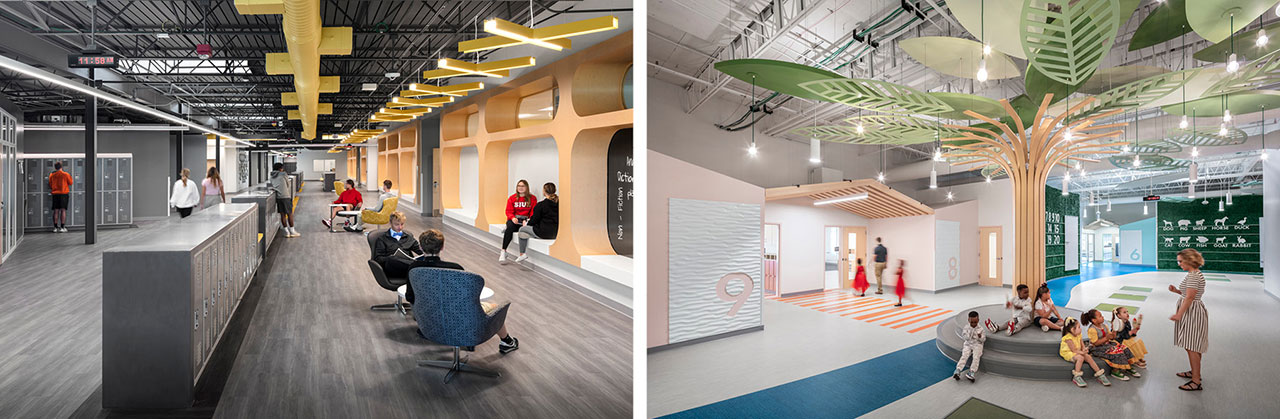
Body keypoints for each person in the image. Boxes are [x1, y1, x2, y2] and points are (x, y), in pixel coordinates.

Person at [407, 229, 519, 354]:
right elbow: (466, 302)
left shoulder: (414, 268)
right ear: (442, 247)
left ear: (421, 247)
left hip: (429, 323)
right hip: (460, 323)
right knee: (493, 306)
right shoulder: (455, 269)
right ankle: (507, 342)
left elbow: (410, 297)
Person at [1170, 248, 1208, 391]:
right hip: (1193, 310)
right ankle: (1195, 372)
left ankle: (1196, 381)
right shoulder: (1194, 274)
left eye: (1180, 261)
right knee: (1193, 344)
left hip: (1191, 312)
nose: (1179, 264)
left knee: (1191, 346)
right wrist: (1176, 291)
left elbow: (1190, 297)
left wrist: (1179, 314)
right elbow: (1188, 293)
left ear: (1189, 260)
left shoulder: (1193, 276)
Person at [1085, 309, 1137, 381]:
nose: (1102, 317)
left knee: (1124, 348)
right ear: (1094, 320)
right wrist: (1106, 338)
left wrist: (1114, 332)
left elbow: (1111, 337)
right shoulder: (1092, 329)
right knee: (1116, 351)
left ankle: (1128, 367)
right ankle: (1115, 371)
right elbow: (1095, 343)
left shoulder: (1104, 326)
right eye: (1100, 316)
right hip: (1097, 348)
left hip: (1107, 344)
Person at [513, 182, 559, 263]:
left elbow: (534, 221)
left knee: (522, 229)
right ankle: (522, 252)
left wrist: (526, 224)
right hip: (556, 233)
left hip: (543, 233)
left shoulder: (541, 205)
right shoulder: (560, 204)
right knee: (524, 233)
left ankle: (522, 253)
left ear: (544, 191)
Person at [1060, 317, 1111, 387]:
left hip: (1078, 351)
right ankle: (1076, 376)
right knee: (1080, 358)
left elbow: (1082, 345)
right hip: (1069, 352)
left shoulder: (1079, 335)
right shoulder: (1068, 338)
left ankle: (1099, 374)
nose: (1081, 329)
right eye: (1079, 327)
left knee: (1088, 357)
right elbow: (1073, 350)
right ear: (1072, 329)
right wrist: (1082, 353)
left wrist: (1084, 349)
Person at [374, 212, 424, 279]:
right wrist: (389, 258)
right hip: (392, 269)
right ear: (391, 223)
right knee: (392, 259)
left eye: (402, 224)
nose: (400, 227)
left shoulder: (408, 237)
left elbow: (421, 251)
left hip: (407, 269)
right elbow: (378, 258)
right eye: (397, 224)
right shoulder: (382, 239)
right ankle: (415, 266)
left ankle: (416, 266)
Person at [498, 179, 537, 264]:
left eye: (523, 186)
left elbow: (533, 212)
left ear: (526, 187)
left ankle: (522, 254)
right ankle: (503, 251)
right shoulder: (512, 198)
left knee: (523, 231)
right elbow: (508, 211)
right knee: (510, 228)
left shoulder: (532, 198)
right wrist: (512, 218)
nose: (520, 188)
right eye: (519, 186)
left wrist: (527, 221)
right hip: (514, 220)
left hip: (525, 221)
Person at [268, 162, 299, 237]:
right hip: (285, 196)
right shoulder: (283, 174)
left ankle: (286, 232)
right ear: (280, 168)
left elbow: (271, 185)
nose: (283, 169)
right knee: (290, 214)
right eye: (282, 168)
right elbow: (288, 184)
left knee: (282, 215)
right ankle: (292, 231)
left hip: (278, 197)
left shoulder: (271, 176)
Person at [953, 311, 985, 382]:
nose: (973, 324)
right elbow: (964, 337)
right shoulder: (966, 328)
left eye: (975, 322)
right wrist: (969, 335)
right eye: (972, 322)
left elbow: (983, 340)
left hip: (977, 344)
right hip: (968, 344)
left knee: (976, 357)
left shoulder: (981, 329)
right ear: (968, 320)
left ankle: (972, 372)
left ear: (978, 320)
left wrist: (980, 337)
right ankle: (958, 370)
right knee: (964, 355)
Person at [48, 161, 72, 232]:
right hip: (63, 194)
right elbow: (71, 182)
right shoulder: (66, 174)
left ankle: (55, 228)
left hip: (55, 194)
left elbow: (50, 184)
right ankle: (62, 227)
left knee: (56, 211)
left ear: (55, 167)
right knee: (63, 210)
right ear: (61, 167)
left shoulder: (52, 175)